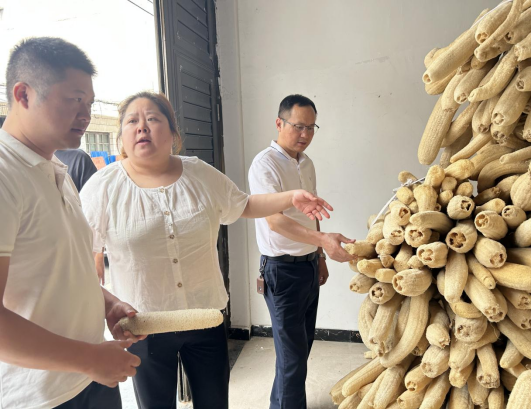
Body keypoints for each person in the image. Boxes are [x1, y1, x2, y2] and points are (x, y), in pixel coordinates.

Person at [79, 91, 334, 410]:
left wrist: (290, 197)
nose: (142, 126)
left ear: (172, 132)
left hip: (204, 316)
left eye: (152, 118)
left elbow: (244, 204)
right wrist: (101, 311)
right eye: (132, 121)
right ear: (121, 136)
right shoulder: (102, 187)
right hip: (143, 324)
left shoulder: (198, 173)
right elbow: (81, 260)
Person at [0, 37, 144, 410]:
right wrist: (89, 358)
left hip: (90, 377)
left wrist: (105, 302)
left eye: (90, 103)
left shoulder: (55, 168)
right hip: (40, 395)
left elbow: (59, 268)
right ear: (23, 94)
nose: (85, 114)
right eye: (74, 100)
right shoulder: (5, 174)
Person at [248, 94, 357, 409]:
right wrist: (323, 241)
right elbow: (274, 221)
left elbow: (313, 213)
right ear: (279, 123)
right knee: (292, 359)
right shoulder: (265, 164)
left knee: (298, 352)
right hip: (281, 271)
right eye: (298, 126)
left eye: (311, 128)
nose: (305, 134)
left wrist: (319, 255)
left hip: (308, 266)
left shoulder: (306, 162)